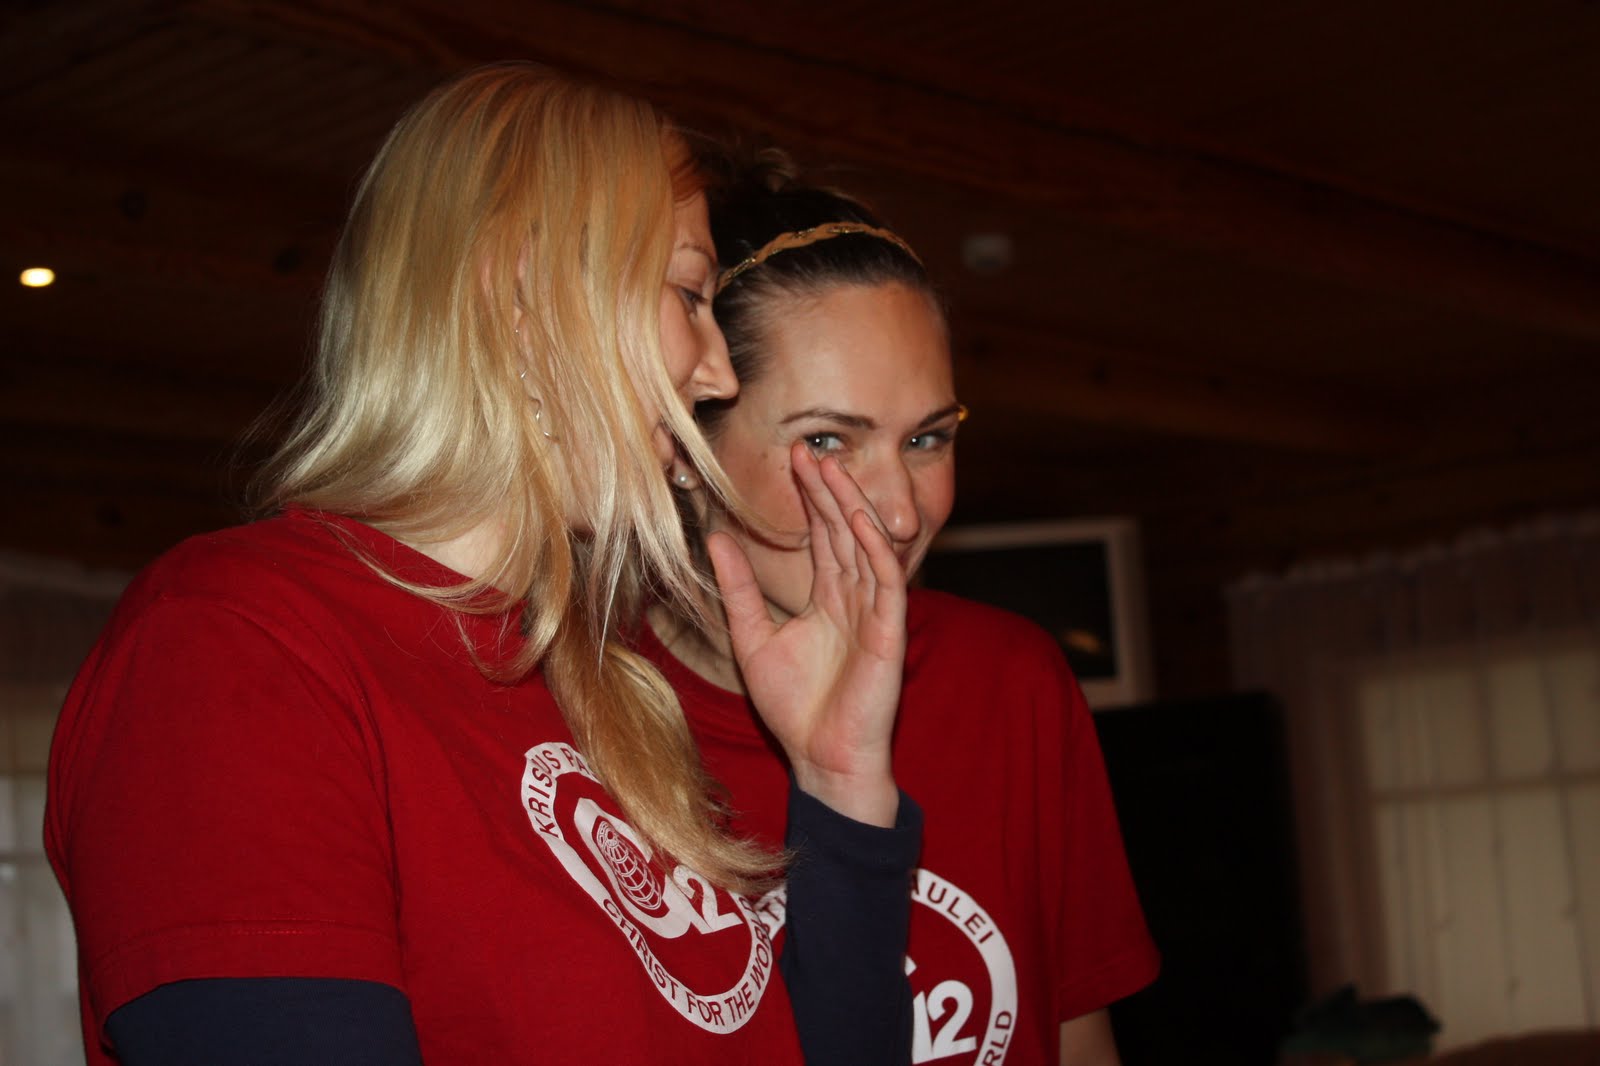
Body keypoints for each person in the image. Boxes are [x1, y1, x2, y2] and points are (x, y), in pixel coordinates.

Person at [45, 65, 921, 1066]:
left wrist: (840, 782)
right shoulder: (235, 641)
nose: (716, 372)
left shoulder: (605, 687)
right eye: (688, 293)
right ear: (520, 291)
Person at [642, 153, 1162, 1066]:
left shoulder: (1010, 682)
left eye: (926, 438)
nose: (901, 513)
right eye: (827, 440)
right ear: (686, 446)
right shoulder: (575, 721)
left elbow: (1074, 1030)